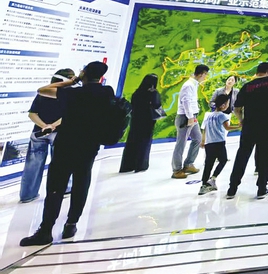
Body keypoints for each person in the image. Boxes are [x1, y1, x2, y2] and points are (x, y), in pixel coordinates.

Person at [20, 62, 116, 246]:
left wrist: (71, 81)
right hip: (89, 147)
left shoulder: (72, 93)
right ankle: (71, 225)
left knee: (55, 188)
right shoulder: (107, 92)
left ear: (84, 73)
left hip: (66, 146)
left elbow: (42, 90)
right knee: (81, 185)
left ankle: (46, 230)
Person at [227, 62, 268, 200]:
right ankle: (261, 188)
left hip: (249, 126)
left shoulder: (247, 86)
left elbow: (237, 108)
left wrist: (242, 120)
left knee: (242, 156)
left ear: (257, 71)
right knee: (265, 157)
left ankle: (232, 189)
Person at [19, 68, 74, 203]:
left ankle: (27, 195)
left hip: (39, 133)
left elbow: (32, 114)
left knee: (32, 165)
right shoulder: (69, 95)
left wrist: (44, 126)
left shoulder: (43, 93)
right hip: (60, 133)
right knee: (61, 163)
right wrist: (52, 126)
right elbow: (69, 115)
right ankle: (64, 189)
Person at [172, 65, 209, 179]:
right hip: (185, 117)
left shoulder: (194, 84)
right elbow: (186, 101)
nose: (206, 77)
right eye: (205, 74)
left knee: (197, 138)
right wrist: (190, 117)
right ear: (201, 74)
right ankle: (177, 170)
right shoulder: (188, 85)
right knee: (181, 143)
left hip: (192, 117)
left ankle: (188, 164)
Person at [119, 74, 162, 173]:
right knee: (144, 143)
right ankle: (141, 165)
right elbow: (157, 105)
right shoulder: (153, 94)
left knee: (132, 142)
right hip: (147, 122)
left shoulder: (137, 93)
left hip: (135, 121)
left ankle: (128, 165)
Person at [199, 94, 240, 195]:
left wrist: (203, 140)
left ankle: (204, 185)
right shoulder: (222, 116)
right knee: (223, 160)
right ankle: (213, 178)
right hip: (219, 142)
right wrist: (238, 127)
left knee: (208, 164)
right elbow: (227, 127)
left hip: (209, 143)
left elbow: (204, 129)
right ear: (223, 105)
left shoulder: (209, 115)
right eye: (227, 103)